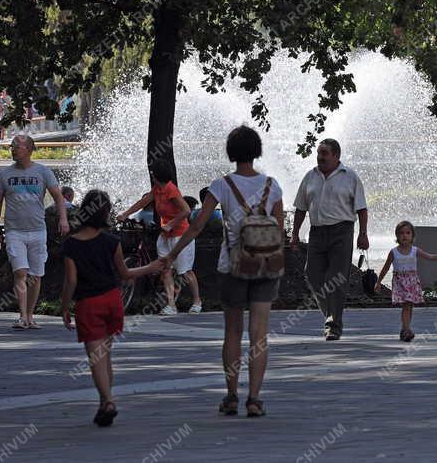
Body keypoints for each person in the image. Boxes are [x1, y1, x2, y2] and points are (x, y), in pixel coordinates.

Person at [164, 124, 284, 417]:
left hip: (232, 266)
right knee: (259, 335)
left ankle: (231, 395)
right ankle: (254, 399)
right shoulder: (273, 185)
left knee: (232, 332)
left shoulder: (221, 185)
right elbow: (279, 229)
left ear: (231, 153)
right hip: (266, 268)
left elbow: (197, 224)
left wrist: (174, 253)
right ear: (257, 151)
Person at [61, 189, 163, 427]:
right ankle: (104, 402)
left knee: (96, 357)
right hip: (112, 300)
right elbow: (125, 274)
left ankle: (107, 401)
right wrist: (151, 267)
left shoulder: (71, 245)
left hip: (88, 303)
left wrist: (65, 306)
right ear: (106, 213)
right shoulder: (111, 241)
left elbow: (71, 281)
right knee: (105, 355)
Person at [290, 138, 369, 341]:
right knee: (312, 275)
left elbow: (361, 209)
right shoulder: (310, 176)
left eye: (324, 153)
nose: (320, 157)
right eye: (318, 153)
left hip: (342, 231)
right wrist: (295, 234)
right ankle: (329, 314)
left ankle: (334, 324)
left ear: (336, 156)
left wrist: (363, 233)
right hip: (316, 232)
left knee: (336, 277)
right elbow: (300, 207)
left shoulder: (350, 177)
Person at [0, 134, 69, 329]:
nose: (13, 149)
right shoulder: (4, 174)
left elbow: (58, 198)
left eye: (17, 146)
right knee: (20, 272)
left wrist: (63, 219)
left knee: (35, 275)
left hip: (38, 230)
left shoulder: (43, 172)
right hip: (14, 231)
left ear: (29, 150)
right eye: (13, 146)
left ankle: (31, 315)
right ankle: (22, 316)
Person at [117, 159, 202, 315]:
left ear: (155, 175)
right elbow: (143, 202)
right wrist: (125, 214)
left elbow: (186, 211)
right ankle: (171, 305)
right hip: (165, 236)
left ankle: (197, 301)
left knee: (185, 271)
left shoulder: (171, 190)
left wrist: (171, 224)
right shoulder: (157, 189)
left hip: (181, 236)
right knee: (165, 269)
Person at [374, 221, 437, 342]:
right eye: (401, 233)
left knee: (409, 306)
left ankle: (405, 329)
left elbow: (430, 257)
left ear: (412, 236)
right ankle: (406, 330)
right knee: (406, 306)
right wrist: (378, 281)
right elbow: (385, 267)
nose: (404, 236)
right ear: (397, 236)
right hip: (400, 282)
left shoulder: (414, 250)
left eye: (408, 233)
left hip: (412, 282)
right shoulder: (393, 252)